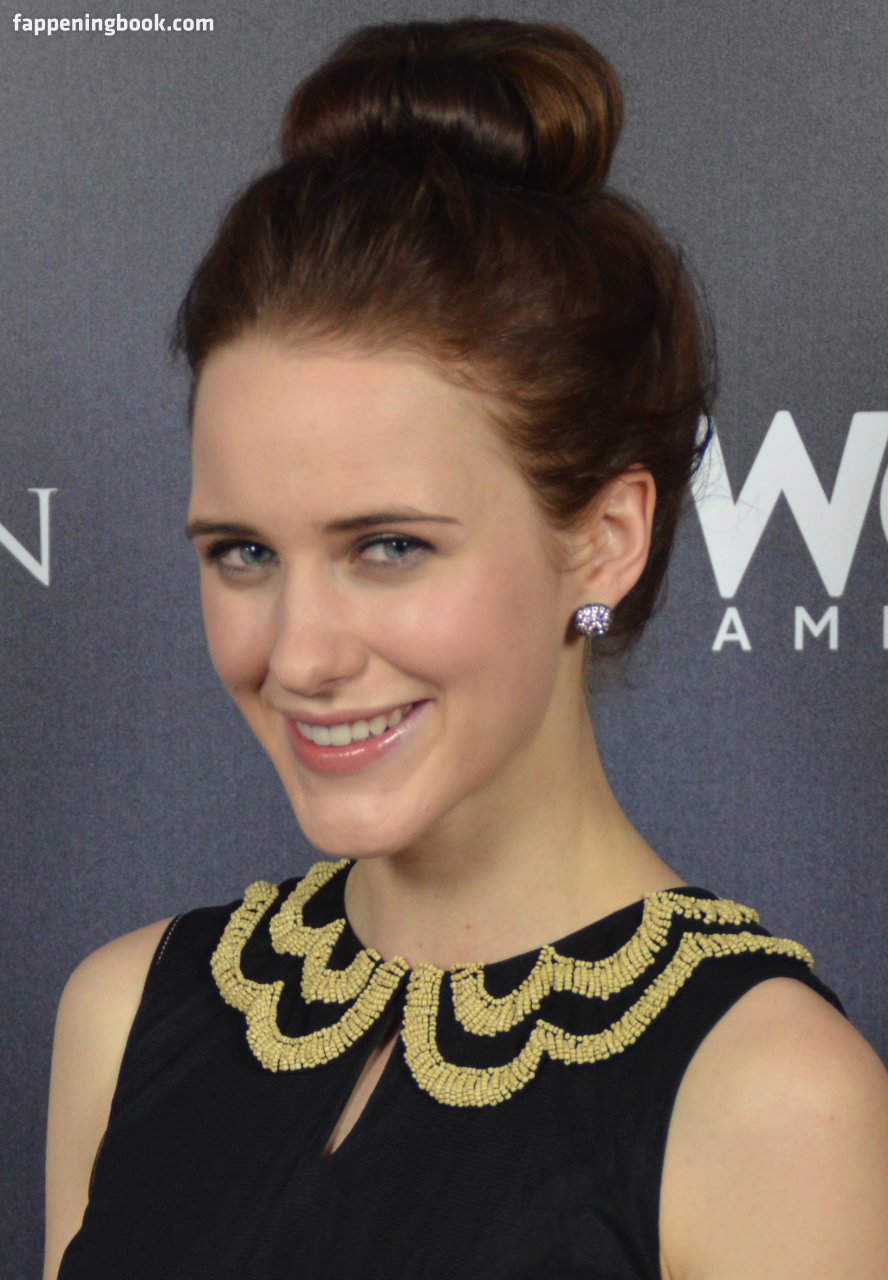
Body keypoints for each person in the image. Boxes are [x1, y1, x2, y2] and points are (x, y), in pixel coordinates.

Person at [44, 17, 887, 1280]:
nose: (300, 654)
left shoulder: (772, 1103)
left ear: (604, 540)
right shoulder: (124, 1014)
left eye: (388, 545)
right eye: (244, 551)